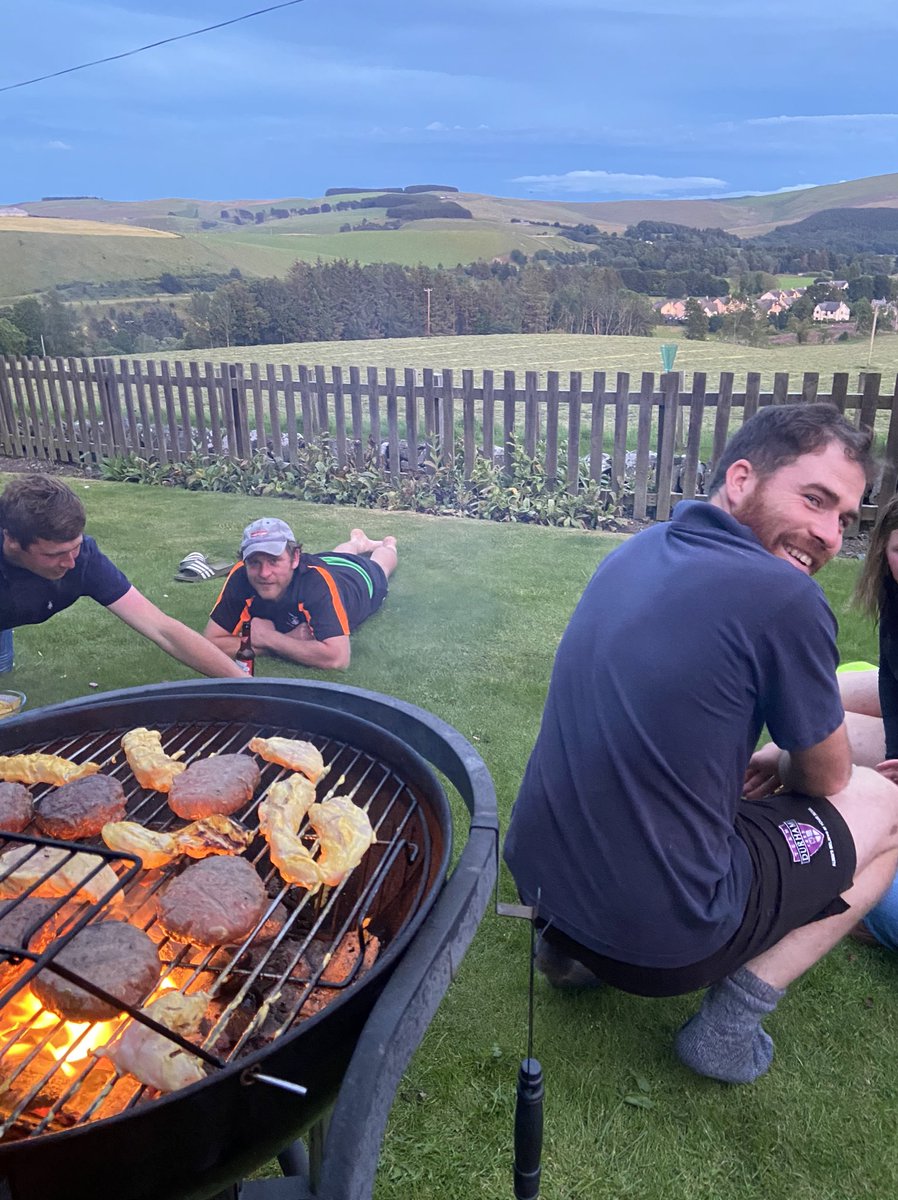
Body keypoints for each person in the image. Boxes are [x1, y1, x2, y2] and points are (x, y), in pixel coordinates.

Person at [504, 402, 898, 1085]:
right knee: (883, 805)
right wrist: (785, 759)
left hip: (542, 882)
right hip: (661, 943)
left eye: (845, 519)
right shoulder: (786, 598)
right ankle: (728, 1028)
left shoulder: (638, 548)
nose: (830, 536)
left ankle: (565, 953)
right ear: (741, 479)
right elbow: (830, 781)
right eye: (815, 500)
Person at [0, 474, 247, 680]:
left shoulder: (84, 559)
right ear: (11, 541)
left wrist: (246, 685)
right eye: (54, 554)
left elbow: (163, 629)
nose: (70, 562)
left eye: (74, 546)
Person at [203, 517, 397, 671]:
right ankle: (357, 542)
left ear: (295, 558)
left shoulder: (316, 582)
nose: (264, 573)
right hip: (327, 561)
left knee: (380, 565)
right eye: (254, 562)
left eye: (273, 561)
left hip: (359, 579)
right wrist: (286, 640)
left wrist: (268, 637)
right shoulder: (241, 575)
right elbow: (211, 641)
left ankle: (389, 544)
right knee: (335, 555)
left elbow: (338, 658)